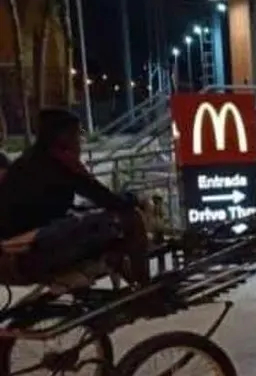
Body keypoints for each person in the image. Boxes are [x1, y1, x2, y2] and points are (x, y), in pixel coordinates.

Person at [0, 108, 150, 285]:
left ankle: (124, 270)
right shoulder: (61, 162)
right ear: (63, 135)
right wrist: (136, 198)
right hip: (32, 251)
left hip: (15, 251)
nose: (79, 141)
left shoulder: (27, 160)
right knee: (131, 218)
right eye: (77, 134)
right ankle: (145, 287)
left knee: (94, 220)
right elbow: (106, 198)